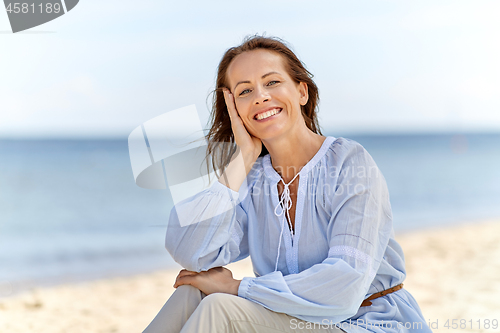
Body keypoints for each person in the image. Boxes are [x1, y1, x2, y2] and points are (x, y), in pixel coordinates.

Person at [142, 35, 433, 333]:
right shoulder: (253, 179)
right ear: (235, 110)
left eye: (271, 82)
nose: (260, 96)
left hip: (369, 323)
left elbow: (346, 285)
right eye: (244, 91)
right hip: (296, 323)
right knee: (193, 292)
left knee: (221, 305)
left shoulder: (349, 163)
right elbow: (192, 253)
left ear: (301, 92)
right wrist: (241, 160)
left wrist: (238, 287)